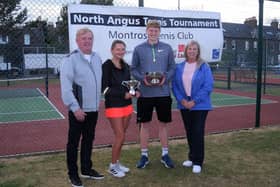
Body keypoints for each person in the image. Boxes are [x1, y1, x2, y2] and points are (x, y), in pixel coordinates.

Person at [60, 27, 104, 187]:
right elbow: (66, 87)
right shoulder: (69, 60)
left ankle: (86, 169)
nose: (87, 41)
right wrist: (75, 107)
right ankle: (73, 174)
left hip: (94, 109)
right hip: (78, 109)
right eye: (84, 38)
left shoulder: (97, 58)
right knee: (73, 143)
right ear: (77, 41)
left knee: (88, 140)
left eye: (90, 38)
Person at [131, 20, 176, 169]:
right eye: (150, 30)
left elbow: (172, 68)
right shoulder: (138, 49)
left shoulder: (167, 48)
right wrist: (143, 79)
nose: (153, 33)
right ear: (146, 31)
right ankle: (144, 155)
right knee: (144, 125)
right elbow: (133, 69)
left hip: (163, 93)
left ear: (159, 32)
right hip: (145, 94)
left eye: (156, 30)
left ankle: (165, 154)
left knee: (163, 125)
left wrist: (165, 78)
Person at [172, 40, 214, 174]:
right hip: (184, 105)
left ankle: (198, 161)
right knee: (189, 132)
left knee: (197, 131)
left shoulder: (204, 66)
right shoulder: (179, 67)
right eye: (189, 49)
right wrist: (182, 100)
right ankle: (191, 157)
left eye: (194, 49)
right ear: (186, 51)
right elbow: (175, 86)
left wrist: (194, 101)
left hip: (200, 105)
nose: (192, 51)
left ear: (198, 51)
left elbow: (208, 86)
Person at [102, 40, 140, 178]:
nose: (120, 51)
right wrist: (122, 94)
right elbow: (105, 89)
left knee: (122, 136)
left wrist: (135, 91)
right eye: (118, 49)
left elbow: (129, 84)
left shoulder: (125, 66)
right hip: (114, 105)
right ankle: (112, 166)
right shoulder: (106, 66)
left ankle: (117, 163)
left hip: (127, 106)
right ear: (112, 50)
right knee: (120, 136)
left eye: (123, 49)